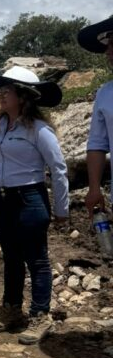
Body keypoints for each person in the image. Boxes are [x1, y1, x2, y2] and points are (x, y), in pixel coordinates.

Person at [0, 65, 68, 344]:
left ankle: (40, 314)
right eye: (0, 89)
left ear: (24, 96)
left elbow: (59, 169)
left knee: (36, 258)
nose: (0, 94)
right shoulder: (2, 126)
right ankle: (12, 308)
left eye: (7, 90)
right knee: (11, 257)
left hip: (30, 198)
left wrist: (62, 210)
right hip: (3, 198)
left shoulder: (39, 130)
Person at [77, 13, 113, 221]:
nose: (107, 51)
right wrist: (93, 188)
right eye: (107, 44)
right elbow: (97, 144)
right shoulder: (105, 94)